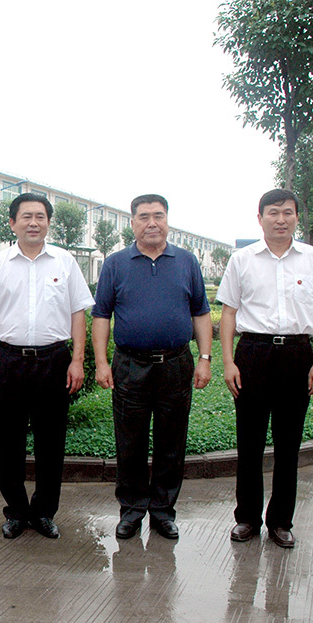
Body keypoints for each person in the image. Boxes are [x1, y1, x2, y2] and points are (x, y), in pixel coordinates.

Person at [217, 188, 313, 548]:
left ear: (297, 217)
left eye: (288, 213)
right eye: (273, 213)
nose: (281, 219)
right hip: (253, 353)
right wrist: (228, 361)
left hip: (298, 356)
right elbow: (229, 313)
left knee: (289, 443)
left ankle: (281, 521)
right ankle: (248, 519)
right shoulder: (242, 259)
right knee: (249, 442)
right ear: (260, 218)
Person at [91, 194, 212, 541]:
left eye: (158, 216)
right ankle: (131, 511)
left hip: (176, 364)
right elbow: (101, 315)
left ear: (168, 220)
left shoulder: (186, 261)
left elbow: (201, 311)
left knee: (171, 442)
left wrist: (204, 358)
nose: (152, 223)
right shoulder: (116, 263)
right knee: (130, 443)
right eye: (143, 216)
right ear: (132, 222)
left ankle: (163, 511)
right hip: (131, 365)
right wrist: (101, 362)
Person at [0, 192, 95, 539]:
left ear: (48, 223)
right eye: (26, 216)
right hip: (10, 361)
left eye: (40, 216)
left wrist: (76, 360)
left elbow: (78, 314)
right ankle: (15, 511)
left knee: (51, 441)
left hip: (54, 360)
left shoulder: (65, 262)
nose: (33, 222)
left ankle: (44, 512)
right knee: (8, 441)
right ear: (12, 223)